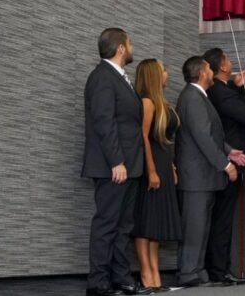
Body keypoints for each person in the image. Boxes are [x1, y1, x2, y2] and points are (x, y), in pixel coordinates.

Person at [82, 28, 150, 296]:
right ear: (121, 48)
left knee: (124, 226)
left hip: (129, 166)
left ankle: (121, 278)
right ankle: (98, 283)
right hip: (115, 166)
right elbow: (104, 122)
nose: (132, 48)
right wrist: (117, 161)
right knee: (107, 224)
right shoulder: (102, 78)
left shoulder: (118, 78)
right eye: (130, 43)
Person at [174, 56, 245, 287]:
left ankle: (197, 272)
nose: (211, 72)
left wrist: (229, 151)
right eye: (208, 68)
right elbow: (203, 137)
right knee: (195, 228)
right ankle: (189, 273)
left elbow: (211, 134)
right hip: (196, 177)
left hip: (203, 177)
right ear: (202, 73)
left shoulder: (198, 97)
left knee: (202, 227)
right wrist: (226, 165)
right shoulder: (192, 98)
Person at [202, 48, 245, 286]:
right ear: (222, 67)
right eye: (227, 59)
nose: (231, 61)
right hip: (230, 163)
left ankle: (217, 268)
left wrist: (236, 87)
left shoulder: (219, 90)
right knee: (223, 219)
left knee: (220, 217)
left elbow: (227, 109)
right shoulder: (220, 92)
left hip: (223, 162)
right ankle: (219, 271)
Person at [132, 59, 182, 292]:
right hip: (149, 166)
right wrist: (151, 170)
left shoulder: (161, 102)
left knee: (156, 223)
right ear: (153, 75)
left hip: (163, 163)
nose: (167, 73)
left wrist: (171, 168)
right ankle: (146, 273)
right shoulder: (147, 103)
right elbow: (143, 139)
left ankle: (155, 272)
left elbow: (166, 142)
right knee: (146, 220)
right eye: (163, 70)